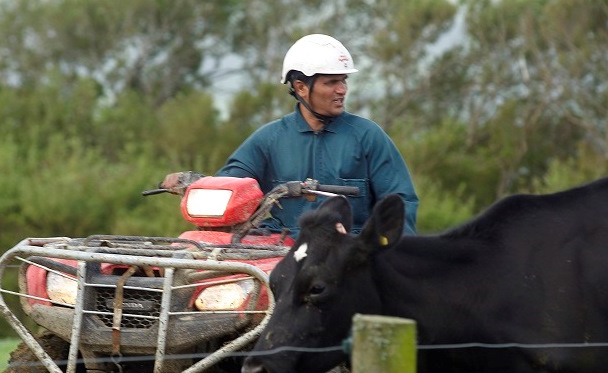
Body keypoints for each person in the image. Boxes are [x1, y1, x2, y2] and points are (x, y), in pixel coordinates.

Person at [161, 33, 418, 236]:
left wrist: (394, 256)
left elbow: (400, 202)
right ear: (301, 87)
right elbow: (228, 185)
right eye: (331, 82)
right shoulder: (269, 139)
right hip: (282, 255)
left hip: (348, 257)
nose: (342, 90)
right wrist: (196, 183)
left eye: (343, 81)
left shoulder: (368, 136)